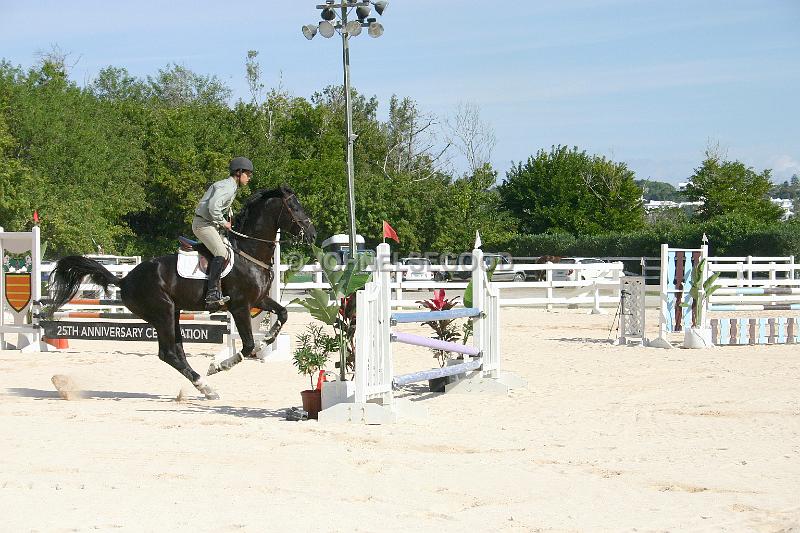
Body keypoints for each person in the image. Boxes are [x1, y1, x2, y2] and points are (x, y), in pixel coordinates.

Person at [192, 156, 253, 310]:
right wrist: (223, 222)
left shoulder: (230, 186)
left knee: (228, 248)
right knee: (221, 252)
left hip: (208, 224)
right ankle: (212, 294)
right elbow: (213, 207)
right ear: (239, 173)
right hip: (203, 225)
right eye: (248, 174)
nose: (249, 177)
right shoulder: (228, 187)